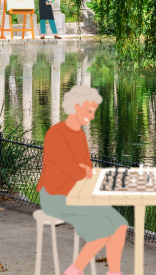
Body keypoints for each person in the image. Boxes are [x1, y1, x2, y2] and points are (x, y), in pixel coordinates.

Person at [37, 85, 128, 275]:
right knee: (104, 229)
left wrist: (82, 170)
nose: (92, 116)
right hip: (54, 196)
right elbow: (72, 169)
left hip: (78, 193)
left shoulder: (80, 135)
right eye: (89, 111)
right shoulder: (56, 133)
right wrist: (81, 170)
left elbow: (86, 168)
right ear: (76, 107)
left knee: (120, 225)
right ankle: (74, 270)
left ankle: (114, 272)